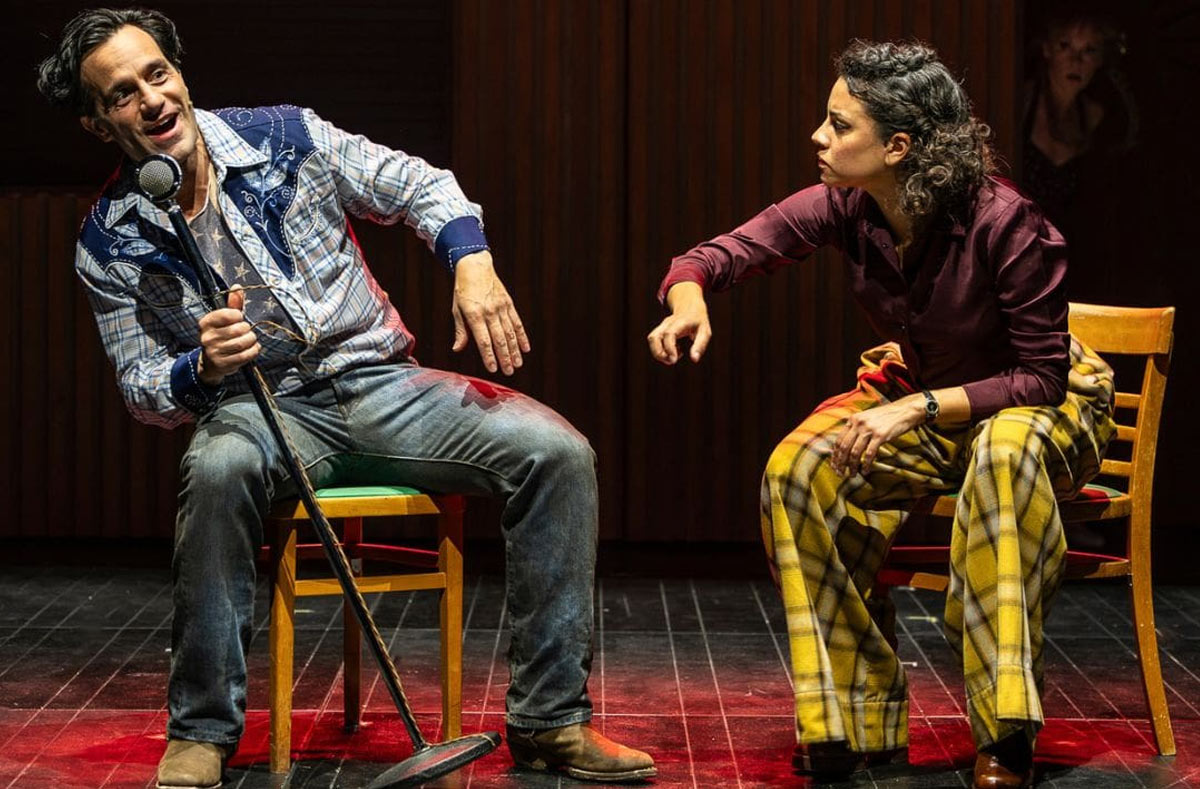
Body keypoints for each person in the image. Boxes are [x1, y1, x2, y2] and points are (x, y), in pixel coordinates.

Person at [36, 8, 655, 788]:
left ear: (181, 75)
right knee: (218, 472)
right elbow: (141, 390)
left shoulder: (284, 137)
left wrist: (471, 263)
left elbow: (421, 185)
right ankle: (201, 729)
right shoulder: (109, 238)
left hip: (381, 383)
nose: (151, 99)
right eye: (122, 95)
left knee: (558, 454)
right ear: (100, 125)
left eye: (157, 74)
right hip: (263, 411)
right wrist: (199, 366)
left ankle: (549, 718)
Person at [648, 41, 1115, 789]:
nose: (818, 138)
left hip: (1042, 408)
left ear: (897, 145)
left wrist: (916, 409)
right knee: (799, 471)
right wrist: (690, 297)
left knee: (1002, 450)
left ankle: (1007, 730)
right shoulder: (849, 205)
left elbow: (1039, 376)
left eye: (839, 126)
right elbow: (720, 252)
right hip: (929, 403)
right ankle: (856, 712)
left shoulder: (1005, 222)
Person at [1021, 7, 1136, 231]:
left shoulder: (1094, 116)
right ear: (1047, 49)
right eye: (1065, 46)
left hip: (1067, 243)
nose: (1076, 61)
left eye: (1089, 50)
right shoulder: (1021, 103)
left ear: (1100, 59)